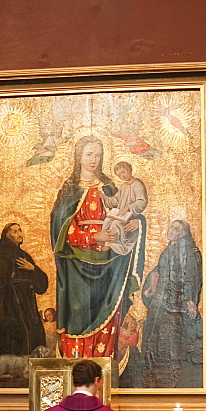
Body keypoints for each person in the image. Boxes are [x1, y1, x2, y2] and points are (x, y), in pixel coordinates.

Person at [50, 136, 145, 360]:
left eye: (98, 155)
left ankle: (103, 371)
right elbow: (59, 228)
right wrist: (93, 236)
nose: (94, 159)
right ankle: (75, 369)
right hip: (76, 266)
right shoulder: (69, 189)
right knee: (78, 316)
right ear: (79, 156)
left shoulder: (111, 187)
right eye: (89, 154)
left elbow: (125, 213)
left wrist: (134, 224)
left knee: (109, 315)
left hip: (110, 265)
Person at [142, 219, 203, 388]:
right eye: (171, 227)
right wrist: (149, 289)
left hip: (177, 305)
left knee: (173, 341)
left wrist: (191, 300)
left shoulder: (190, 252)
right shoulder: (168, 250)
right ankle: (154, 373)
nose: (171, 230)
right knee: (154, 337)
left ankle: (172, 376)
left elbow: (193, 277)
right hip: (161, 302)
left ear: (183, 233)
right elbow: (158, 272)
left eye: (176, 229)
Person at [0, 222, 48, 369]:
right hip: (10, 305)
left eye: (20, 230)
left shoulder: (25, 257)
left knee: (35, 337)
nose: (19, 233)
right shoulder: (2, 256)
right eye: (14, 231)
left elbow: (42, 287)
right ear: (6, 236)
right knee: (14, 335)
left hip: (28, 306)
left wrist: (33, 269)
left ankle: (29, 369)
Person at [99, 161, 148, 255]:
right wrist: (104, 197)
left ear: (129, 169)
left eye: (123, 172)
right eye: (119, 175)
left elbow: (142, 202)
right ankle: (104, 241)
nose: (123, 176)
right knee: (107, 220)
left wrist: (128, 207)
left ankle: (112, 245)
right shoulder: (123, 187)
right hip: (121, 214)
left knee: (115, 224)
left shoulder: (137, 184)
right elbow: (115, 201)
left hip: (131, 216)